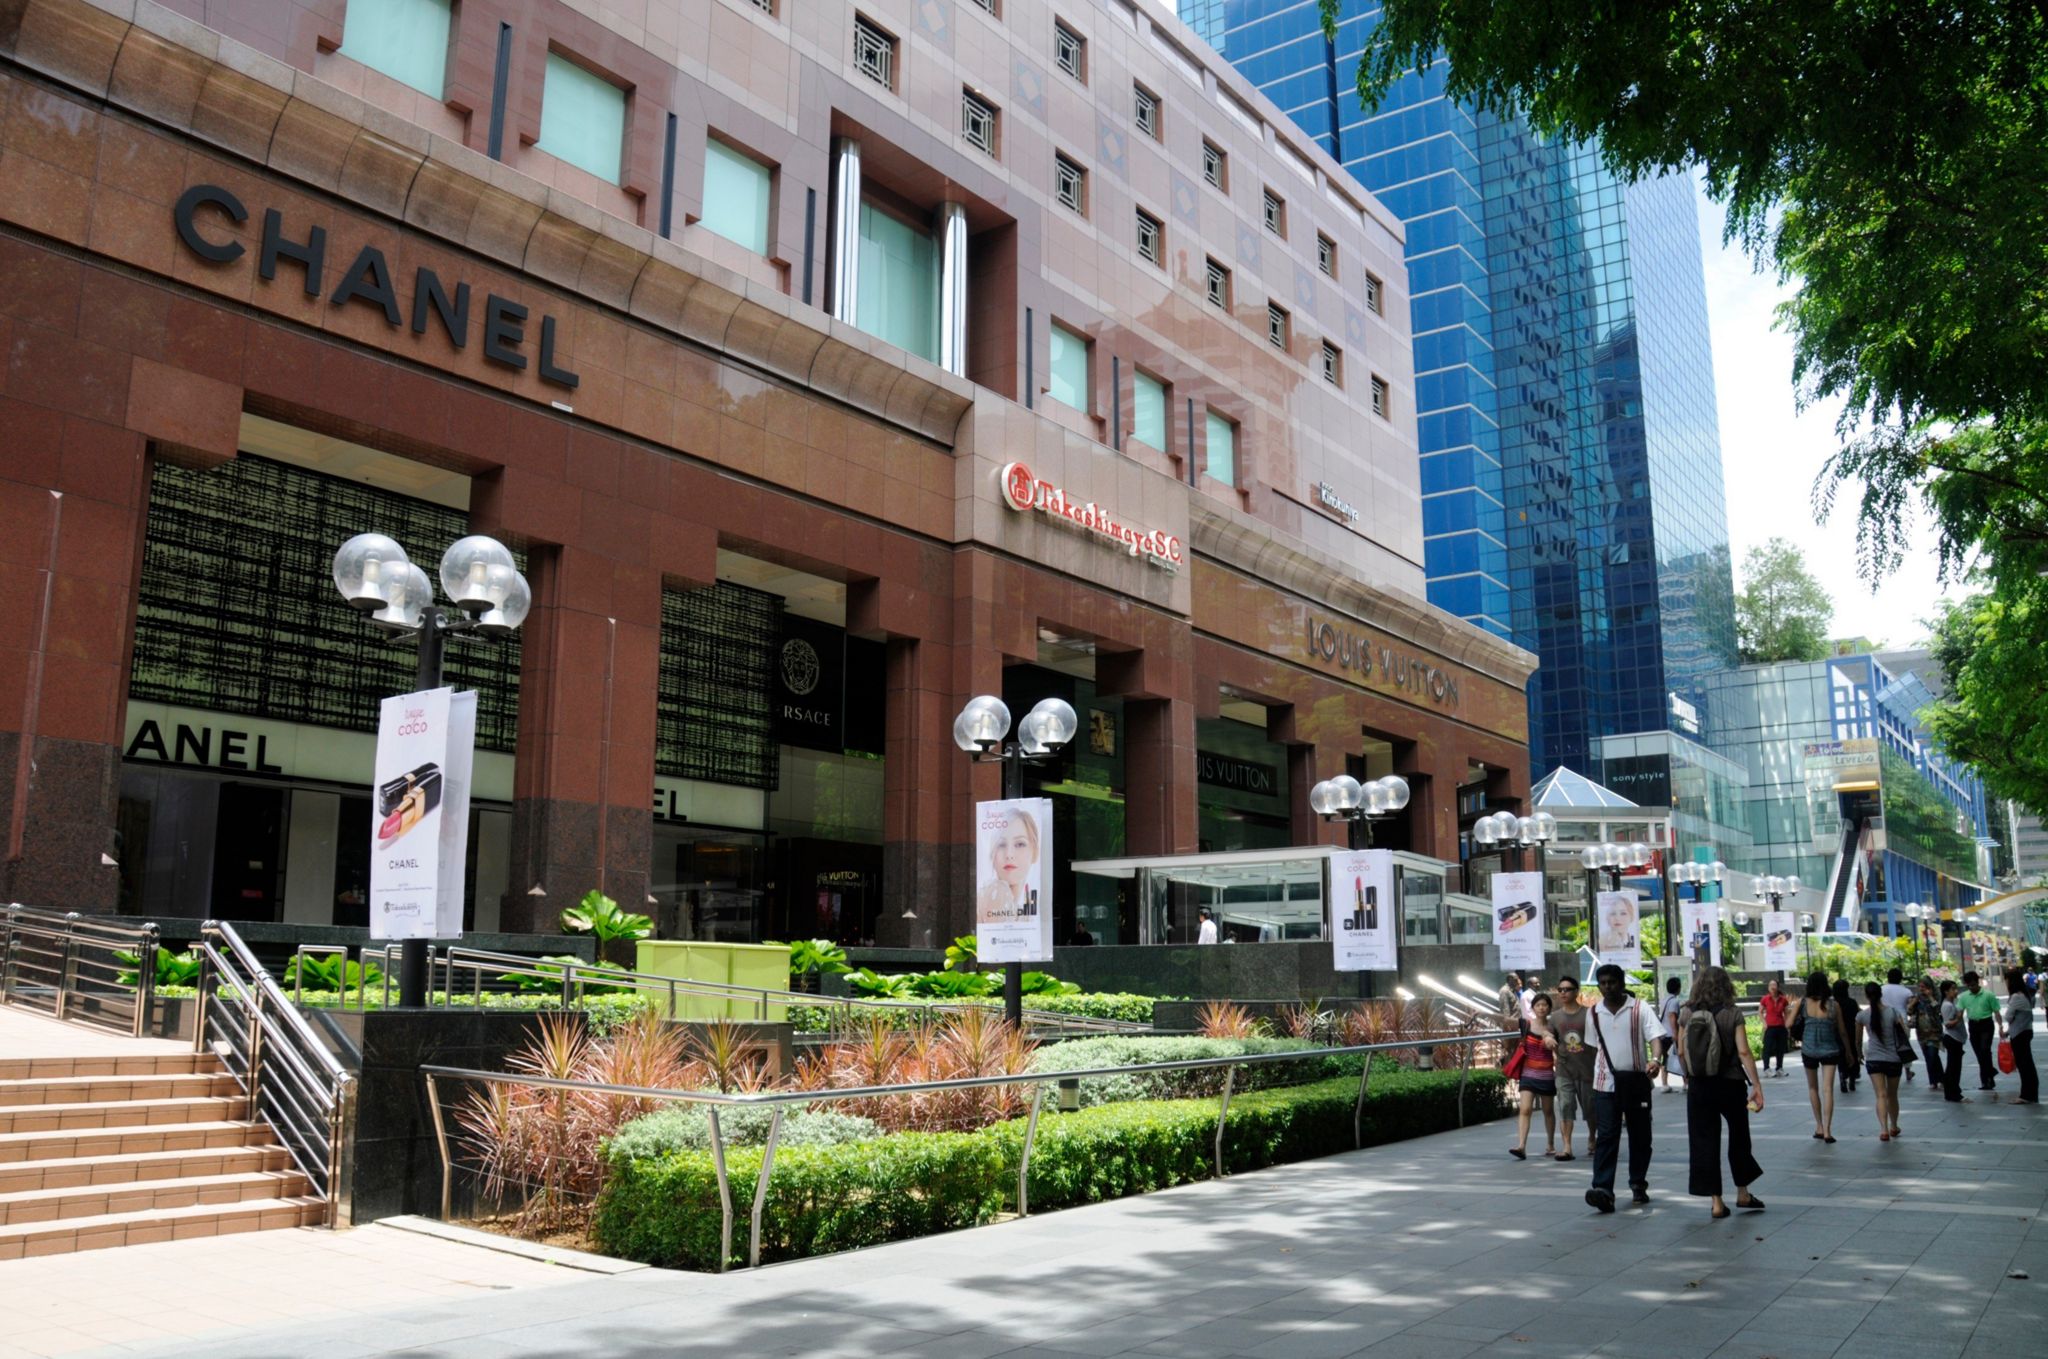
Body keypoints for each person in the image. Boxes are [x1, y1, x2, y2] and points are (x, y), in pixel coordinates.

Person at [1673, 965, 1765, 1219]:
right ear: (1727, 985)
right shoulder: (1732, 1013)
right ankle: (1743, 1192)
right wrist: (1756, 1085)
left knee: (1704, 1140)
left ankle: (1716, 1202)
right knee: (1739, 1136)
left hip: (1700, 1085)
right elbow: (1744, 1052)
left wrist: (1690, 1076)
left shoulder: (1686, 1013)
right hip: (1731, 1083)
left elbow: (1680, 1051)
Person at [1584, 962, 1670, 1213]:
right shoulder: (1593, 1014)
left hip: (1635, 1082)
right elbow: (1593, 1049)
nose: (1607, 987)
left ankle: (1637, 1183)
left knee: (1640, 1136)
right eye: (1603, 983)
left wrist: (1655, 1060)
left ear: (1621, 983)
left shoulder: (1639, 1008)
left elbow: (1656, 1038)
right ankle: (1602, 1189)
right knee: (1607, 1136)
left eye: (1612, 982)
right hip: (1605, 1085)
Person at [1797, 971, 1849, 1142]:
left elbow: (1789, 1023)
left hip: (1809, 1050)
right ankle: (1827, 1130)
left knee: (1813, 1088)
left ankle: (1818, 1125)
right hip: (1830, 1050)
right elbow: (1842, 1031)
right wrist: (1849, 1052)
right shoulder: (1834, 1005)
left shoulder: (1803, 1003)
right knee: (1828, 1090)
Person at [1510, 993, 1559, 1159]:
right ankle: (1521, 1146)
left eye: (1545, 1005)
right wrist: (1482, 1014)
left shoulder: (1553, 1028)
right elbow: (1504, 1019)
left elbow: (1554, 1043)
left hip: (1546, 1074)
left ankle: (1551, 1144)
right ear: (1533, 1008)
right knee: (1525, 1109)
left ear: (1549, 1008)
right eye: (1538, 1005)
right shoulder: (1526, 1024)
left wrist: (1553, 1048)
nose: (1541, 1008)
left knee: (1548, 1111)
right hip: (1528, 1074)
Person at [1549, 977, 1593, 1161]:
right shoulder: (1556, 1016)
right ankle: (1567, 1146)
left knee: (1591, 1109)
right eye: (1560, 989)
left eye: (1567, 989)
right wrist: (1547, 1038)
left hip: (1588, 1069)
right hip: (1564, 1069)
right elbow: (1549, 1034)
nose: (1563, 993)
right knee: (1565, 1106)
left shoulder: (1590, 1014)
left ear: (1576, 991)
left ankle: (1593, 1136)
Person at [1859, 981, 1907, 1141]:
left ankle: (1883, 1129)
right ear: (1881, 994)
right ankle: (1894, 1125)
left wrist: (1858, 1054)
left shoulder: (1862, 1016)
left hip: (1874, 1059)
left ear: (1866, 995)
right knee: (1892, 1095)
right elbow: (1904, 1033)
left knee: (1880, 1095)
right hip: (1893, 1058)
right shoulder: (1892, 1012)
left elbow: (1856, 1040)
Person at [977, 805, 1041, 920]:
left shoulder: (1024, 908)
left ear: (1035, 851)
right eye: (1001, 844)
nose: (1009, 855)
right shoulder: (998, 891)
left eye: (1020, 844)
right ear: (993, 853)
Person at [1959, 971, 2001, 1091]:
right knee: (1980, 1054)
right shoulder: (1964, 997)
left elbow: (1996, 1011)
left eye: (1973, 985)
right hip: (1973, 1026)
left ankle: (1987, 1078)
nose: (1971, 988)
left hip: (1986, 1024)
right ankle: (1989, 1077)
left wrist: (2001, 1026)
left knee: (1984, 1050)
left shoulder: (1988, 995)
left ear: (1977, 982)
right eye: (1969, 986)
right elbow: (1959, 1013)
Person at [2004, 966, 2038, 1104]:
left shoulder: (2017, 997)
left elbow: (2008, 1016)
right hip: (2024, 1032)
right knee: (2026, 1064)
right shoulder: (2024, 995)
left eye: (2006, 980)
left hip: (2020, 1035)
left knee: (2024, 1064)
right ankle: (2029, 1094)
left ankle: (2027, 1095)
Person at [1909, 976, 1946, 1093]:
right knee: (1928, 1057)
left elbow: (1938, 1009)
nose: (1921, 989)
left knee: (1932, 1054)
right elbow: (1909, 1011)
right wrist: (1913, 1003)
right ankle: (1935, 1081)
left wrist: (1930, 997)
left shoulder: (1936, 996)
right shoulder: (1916, 998)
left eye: (1924, 987)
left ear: (1929, 987)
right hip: (1921, 1032)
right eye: (1920, 987)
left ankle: (1939, 1079)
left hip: (1934, 1031)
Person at [1882, 968, 1916, 1082]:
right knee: (1904, 1046)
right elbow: (1911, 1008)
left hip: (1885, 1020)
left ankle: (1888, 1069)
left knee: (1887, 1045)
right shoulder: (1906, 991)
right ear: (1901, 978)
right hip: (1902, 1021)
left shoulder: (1882, 989)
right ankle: (1908, 1071)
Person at [1939, 979, 1969, 1103]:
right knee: (1953, 1067)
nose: (1956, 991)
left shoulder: (1952, 1003)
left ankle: (1952, 1091)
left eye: (1956, 988)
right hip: (1952, 1038)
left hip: (1956, 1038)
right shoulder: (1947, 1005)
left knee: (1954, 1067)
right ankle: (1953, 1093)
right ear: (1946, 991)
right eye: (1953, 989)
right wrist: (1958, 1018)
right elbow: (1948, 1024)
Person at [1834, 979, 1862, 1094]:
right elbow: (1858, 1016)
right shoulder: (1852, 1002)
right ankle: (1852, 1078)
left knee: (1841, 1055)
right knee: (1853, 1053)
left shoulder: (1834, 1003)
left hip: (1837, 1033)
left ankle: (1842, 1077)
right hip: (1851, 1031)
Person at [1758, 978, 1790, 1077]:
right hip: (1769, 1027)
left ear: (1777, 987)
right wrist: (1764, 1023)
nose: (1772, 987)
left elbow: (1787, 1013)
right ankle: (1766, 1069)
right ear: (1768, 988)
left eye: (1774, 985)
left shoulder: (1783, 999)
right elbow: (1760, 1012)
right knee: (1767, 1048)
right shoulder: (1765, 999)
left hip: (1780, 1026)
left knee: (1780, 1049)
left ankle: (1779, 1068)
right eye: (1770, 985)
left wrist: (1787, 1026)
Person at [1657, 977, 1685, 1091]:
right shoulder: (1674, 1001)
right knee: (1681, 1056)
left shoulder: (1664, 1000)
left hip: (1663, 1033)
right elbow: (1672, 1016)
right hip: (1671, 1034)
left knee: (1665, 1058)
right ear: (1678, 988)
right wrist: (1675, 1033)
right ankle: (1686, 1083)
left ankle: (1664, 1084)